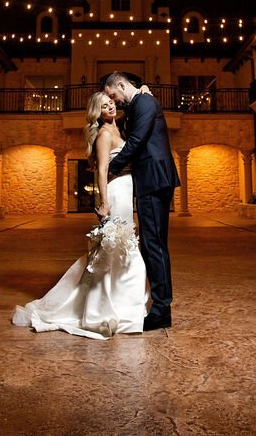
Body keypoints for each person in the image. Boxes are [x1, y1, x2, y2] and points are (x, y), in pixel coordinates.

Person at [11, 92, 149, 339]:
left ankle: (122, 307)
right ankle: (104, 311)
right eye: (104, 106)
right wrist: (105, 202)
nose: (110, 108)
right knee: (119, 250)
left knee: (119, 250)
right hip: (116, 192)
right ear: (98, 112)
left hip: (128, 193)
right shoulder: (105, 135)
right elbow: (102, 171)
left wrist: (143, 91)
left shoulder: (121, 129)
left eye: (111, 104)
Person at [103, 71, 179, 331]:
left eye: (114, 95)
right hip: (149, 180)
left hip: (155, 179)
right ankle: (160, 305)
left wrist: (110, 168)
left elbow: (136, 141)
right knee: (150, 243)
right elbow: (128, 129)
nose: (114, 101)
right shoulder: (139, 103)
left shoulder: (145, 103)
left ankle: (161, 310)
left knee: (154, 244)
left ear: (121, 85)